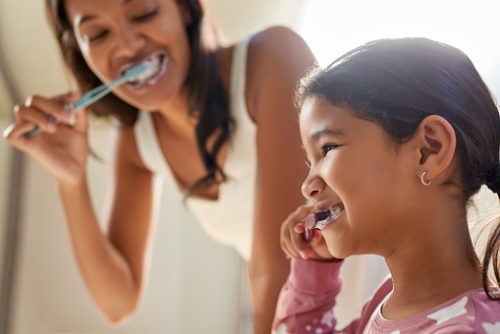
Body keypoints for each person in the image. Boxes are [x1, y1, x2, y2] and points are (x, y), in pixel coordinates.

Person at [2, 0, 316, 332]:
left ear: (183, 8)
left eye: (143, 13)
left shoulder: (274, 59)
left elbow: (280, 267)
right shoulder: (138, 141)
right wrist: (70, 183)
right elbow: (118, 302)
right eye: (96, 34)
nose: (127, 46)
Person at [274, 37, 500, 333]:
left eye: (328, 148)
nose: (308, 187)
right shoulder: (388, 301)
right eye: (309, 163)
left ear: (429, 149)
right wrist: (314, 269)